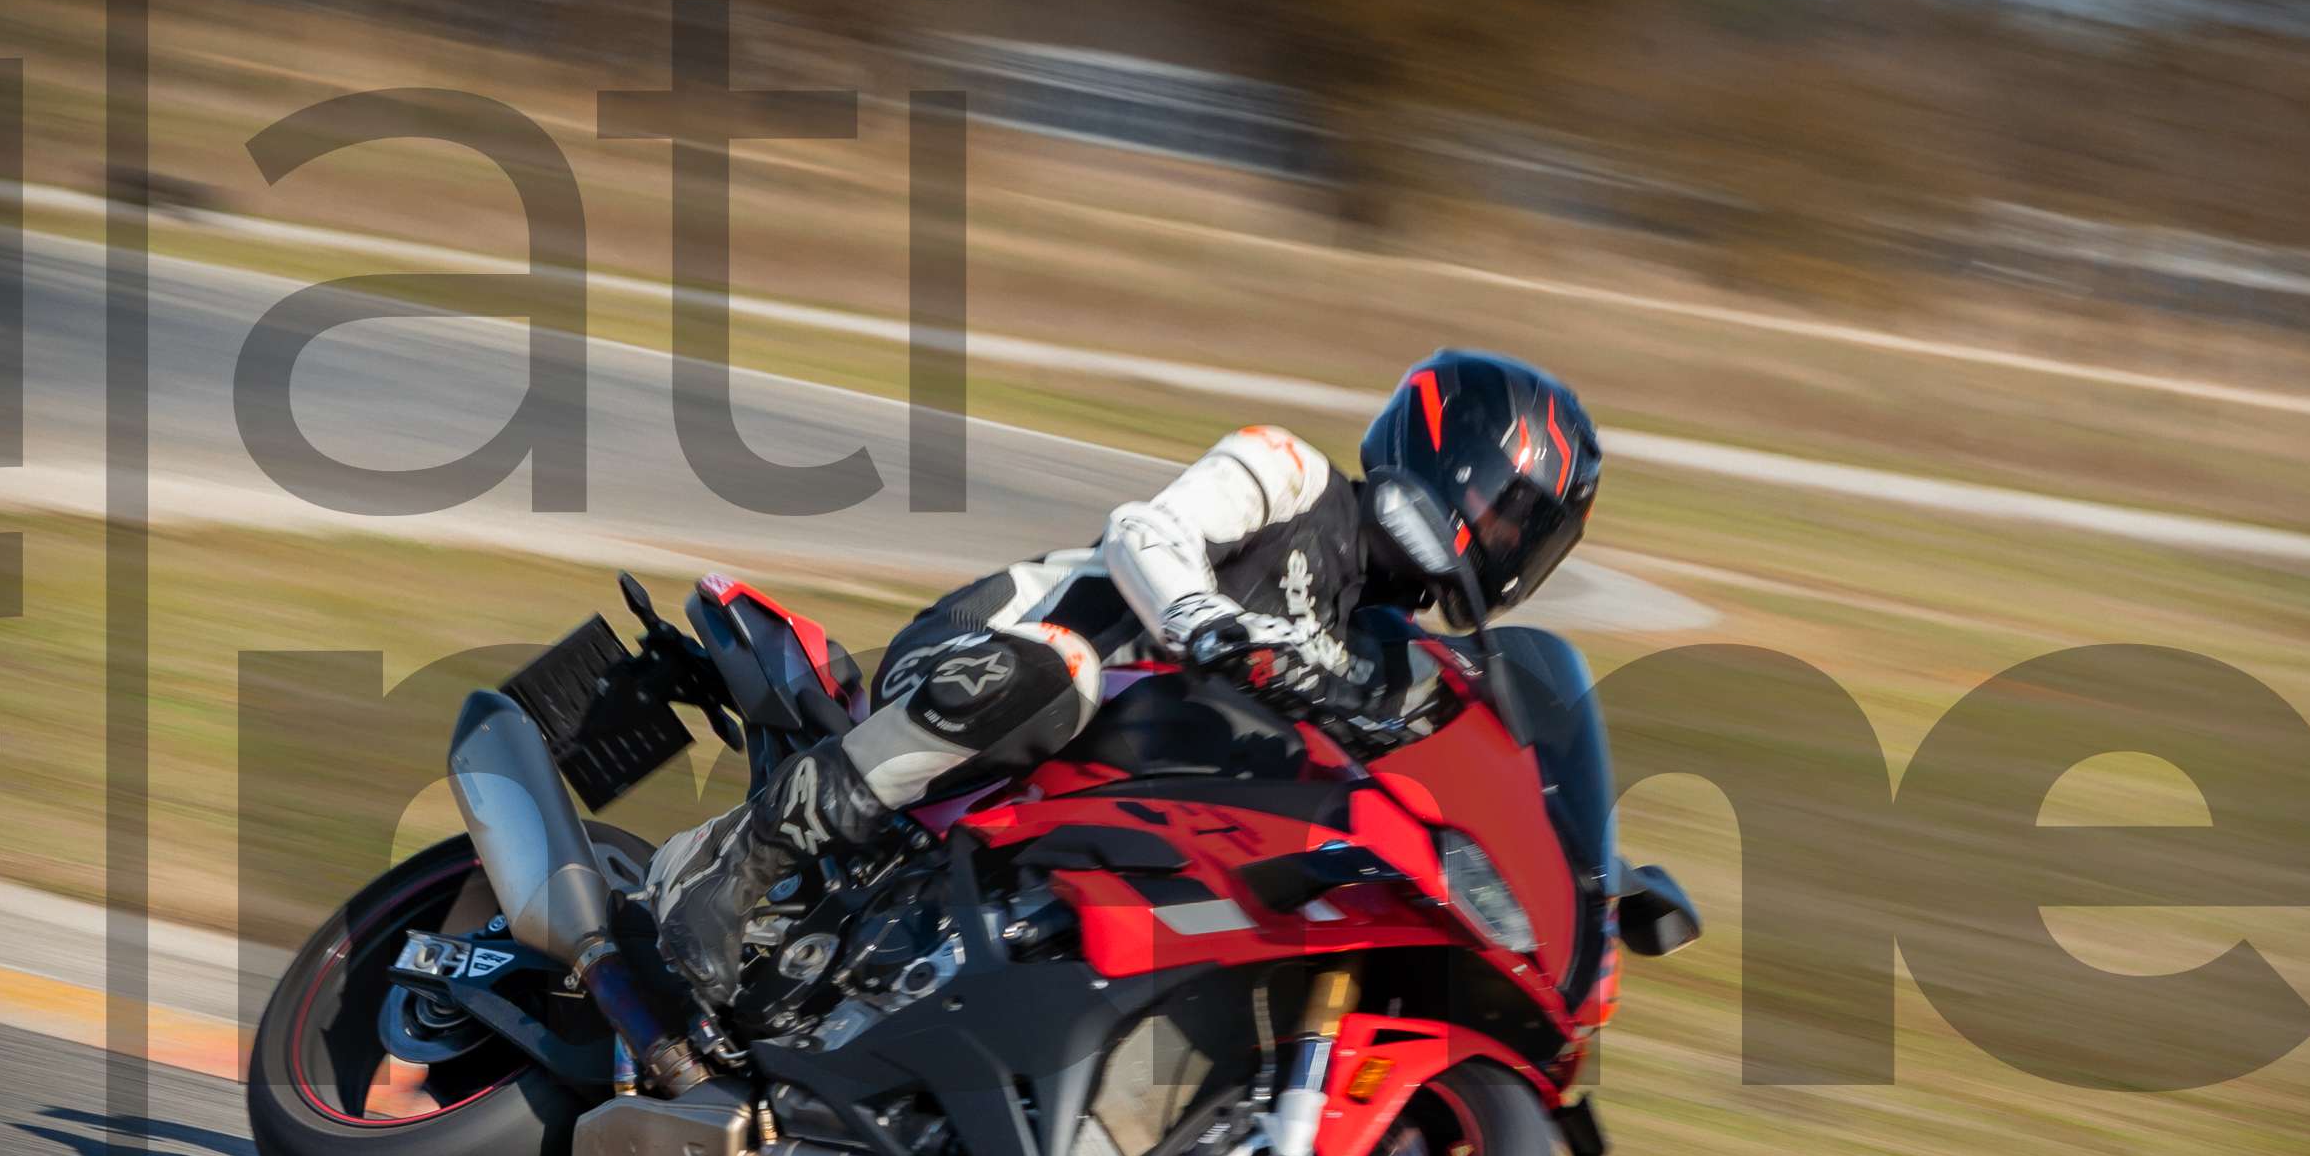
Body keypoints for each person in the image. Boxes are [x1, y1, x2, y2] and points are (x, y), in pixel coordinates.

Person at [647, 347, 1602, 1010]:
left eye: (1529, 533)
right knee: (1063, 672)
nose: (1506, 540)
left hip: (1117, 796)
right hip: (997, 656)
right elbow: (1147, 531)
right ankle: (734, 861)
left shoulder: (1390, 657)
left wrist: (1587, 878)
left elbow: (1454, 765)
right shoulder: (1291, 474)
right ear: (1450, 453)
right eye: (1508, 510)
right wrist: (1200, 620)